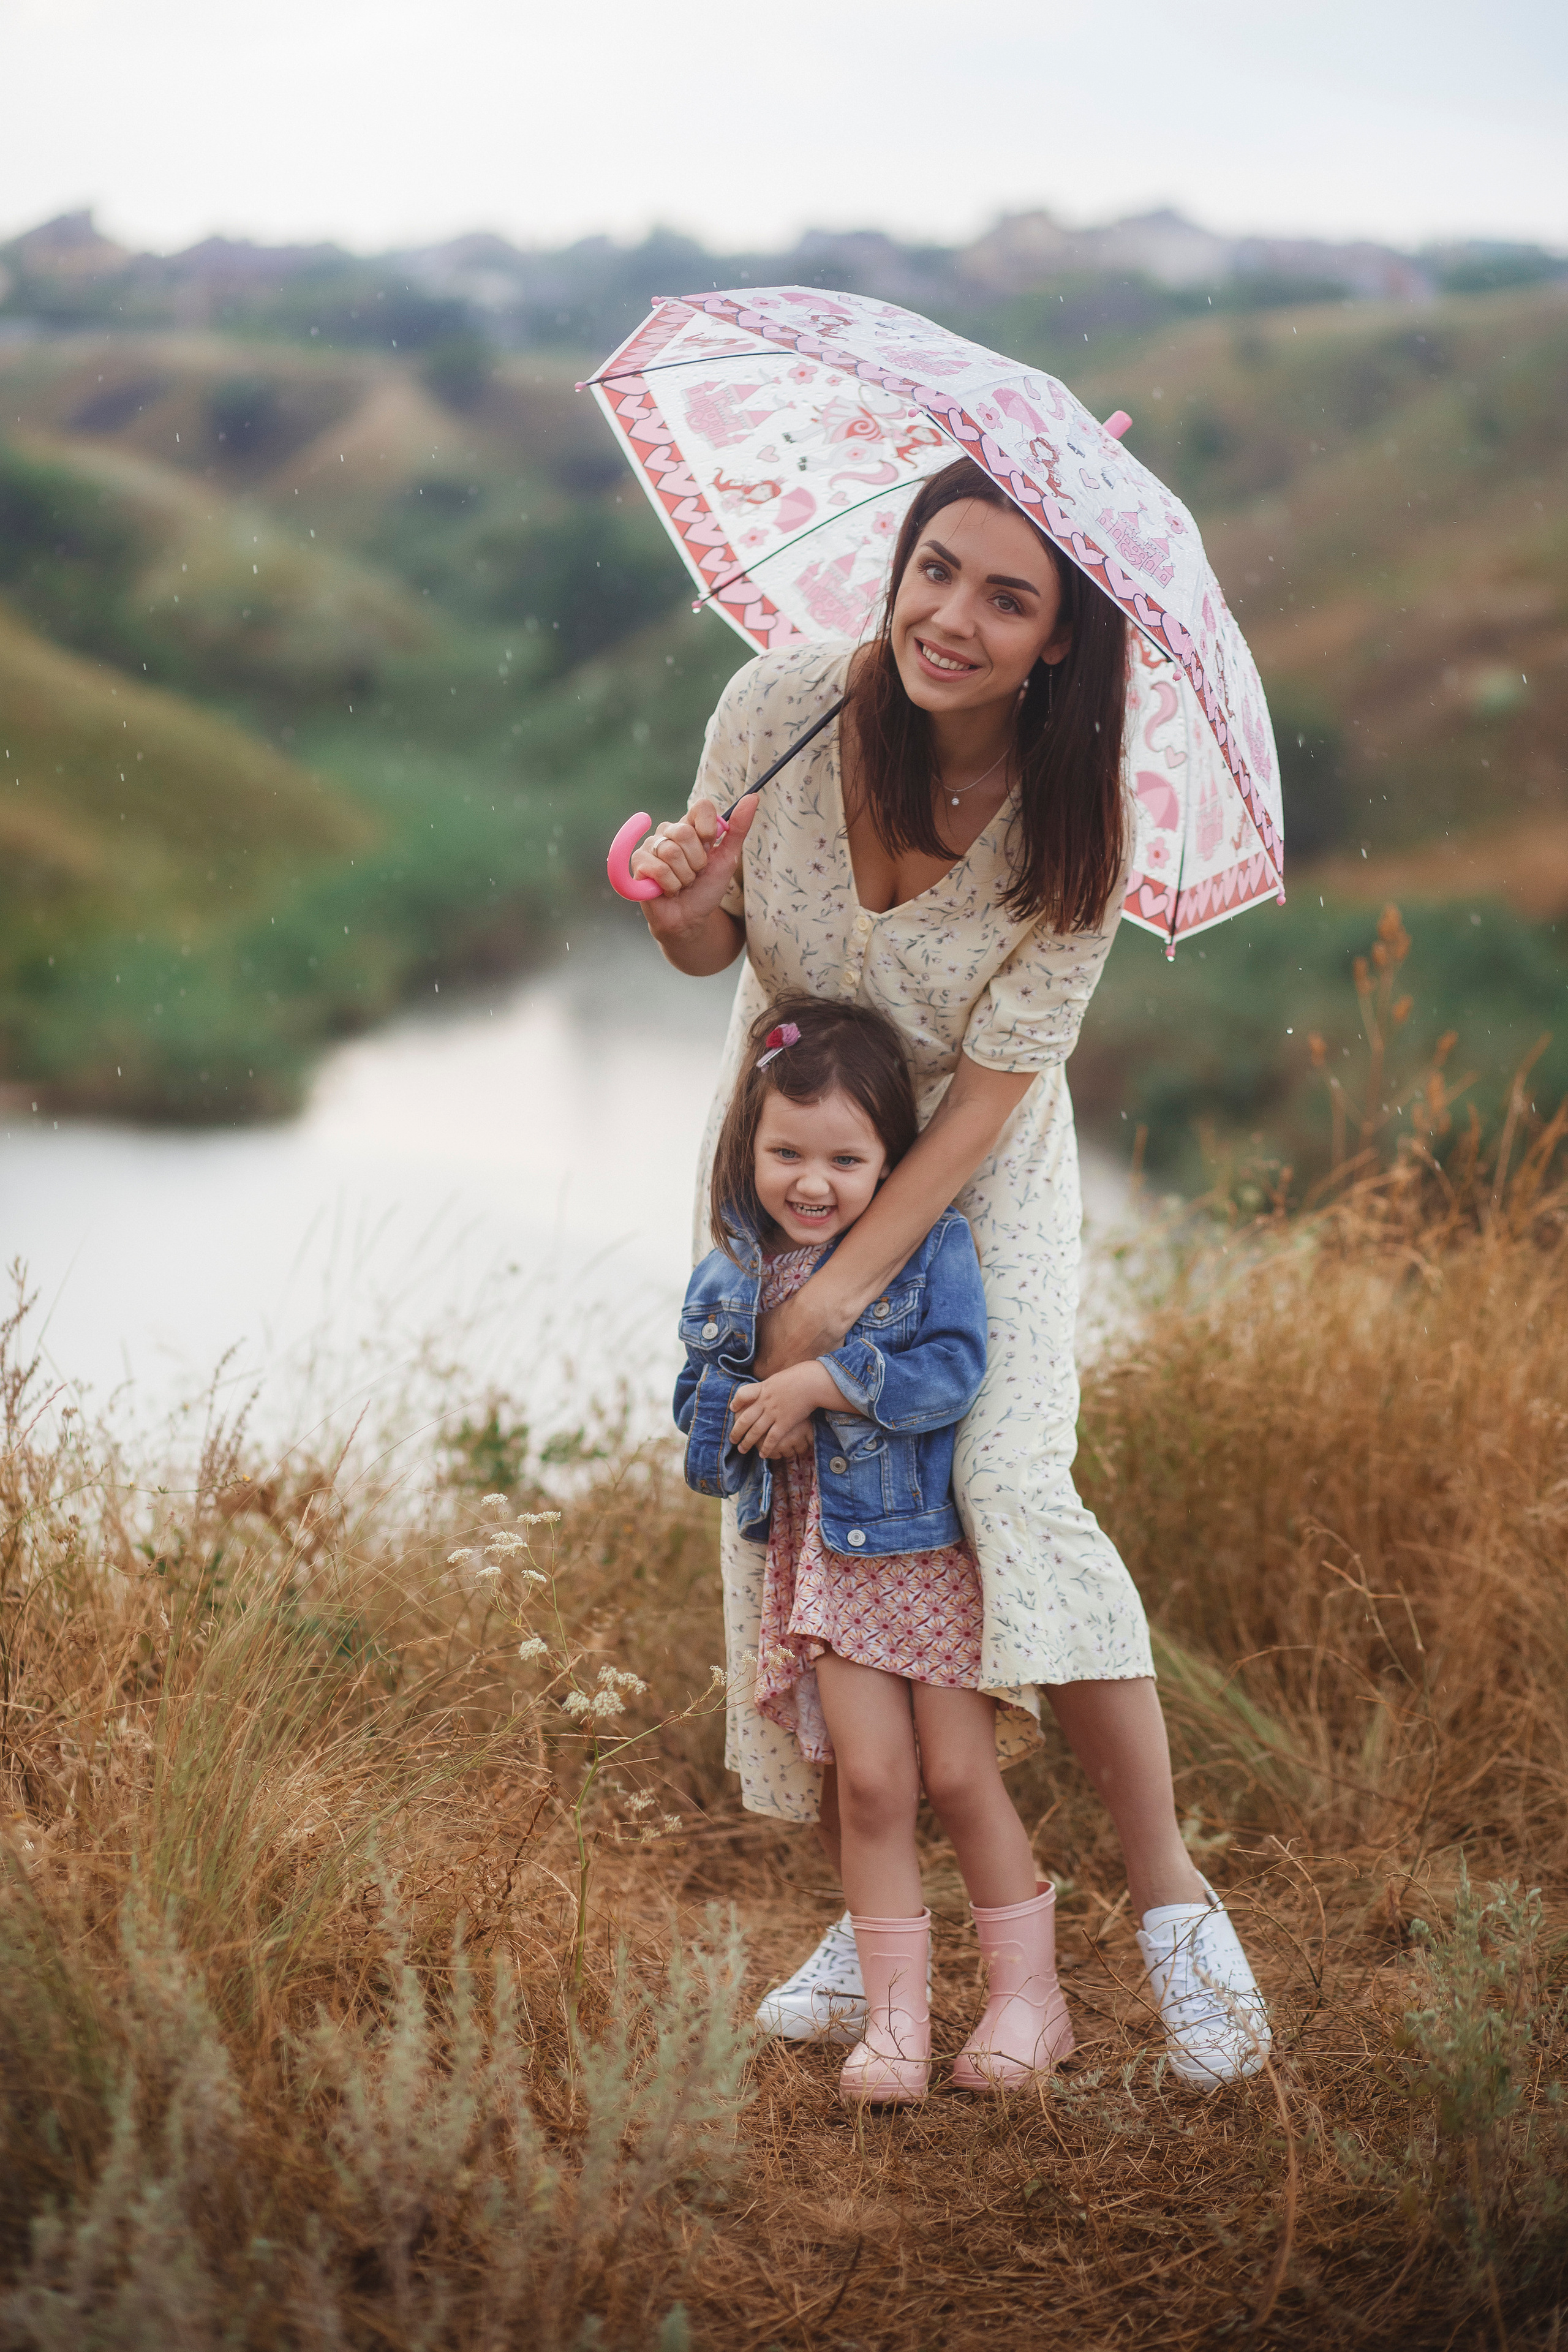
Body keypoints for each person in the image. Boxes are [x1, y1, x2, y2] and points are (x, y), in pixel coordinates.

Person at [636, 454, 1269, 2090]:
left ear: (1062, 640)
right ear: (897, 564)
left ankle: (1174, 1909)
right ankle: (883, 1906)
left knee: (1009, 1485)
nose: (952, 617)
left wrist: (847, 1297)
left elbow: (991, 1091)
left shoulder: (1077, 828)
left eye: (1009, 597)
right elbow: (717, 954)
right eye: (936, 569)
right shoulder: (774, 704)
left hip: (976, 1182)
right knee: (810, 1513)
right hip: (795, 1156)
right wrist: (680, 906)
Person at [676, 992, 1074, 2101]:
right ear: (747, 1146)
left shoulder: (930, 1248)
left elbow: (953, 1370)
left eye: (846, 1158)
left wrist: (826, 1383)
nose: (813, 1181)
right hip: (830, 1570)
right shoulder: (733, 1273)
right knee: (871, 1786)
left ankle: (1028, 2004)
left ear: (892, 1160)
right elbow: (706, 1432)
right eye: (786, 1152)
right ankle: (896, 2026)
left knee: (957, 1771)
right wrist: (749, 1394)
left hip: (925, 1551)